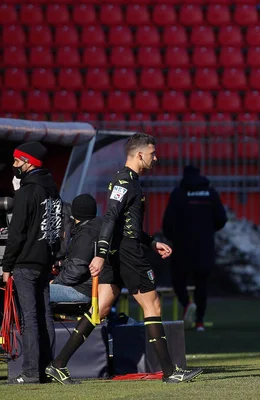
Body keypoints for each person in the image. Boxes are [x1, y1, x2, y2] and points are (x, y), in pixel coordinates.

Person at [45, 133, 203, 385]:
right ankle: (170, 371)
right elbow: (110, 218)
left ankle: (58, 364)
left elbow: (126, 225)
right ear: (139, 154)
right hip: (127, 254)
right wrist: (100, 254)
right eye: (152, 153)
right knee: (153, 306)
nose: (156, 157)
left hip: (118, 250)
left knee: (100, 309)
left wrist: (152, 242)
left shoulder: (129, 181)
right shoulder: (124, 182)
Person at [2, 141, 63, 384]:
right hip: (45, 261)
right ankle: (47, 368)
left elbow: (16, 233)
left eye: (17, 161)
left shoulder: (27, 192)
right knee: (45, 316)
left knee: (29, 318)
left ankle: (30, 372)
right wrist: (55, 256)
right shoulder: (52, 189)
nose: (14, 165)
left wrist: (7, 266)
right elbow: (56, 227)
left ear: (28, 162)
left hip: (25, 262)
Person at [162, 165, 227, 331]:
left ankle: (187, 303)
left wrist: (172, 237)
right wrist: (208, 231)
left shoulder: (178, 194)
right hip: (204, 246)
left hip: (183, 245)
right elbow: (221, 218)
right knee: (201, 284)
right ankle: (199, 321)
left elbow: (168, 221)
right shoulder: (210, 193)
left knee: (178, 280)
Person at [49, 194, 101, 304]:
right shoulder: (95, 228)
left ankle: (35, 322)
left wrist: (55, 282)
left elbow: (77, 270)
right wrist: (61, 264)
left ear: (74, 212)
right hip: (88, 287)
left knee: (36, 291)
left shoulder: (85, 235)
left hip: (81, 290)